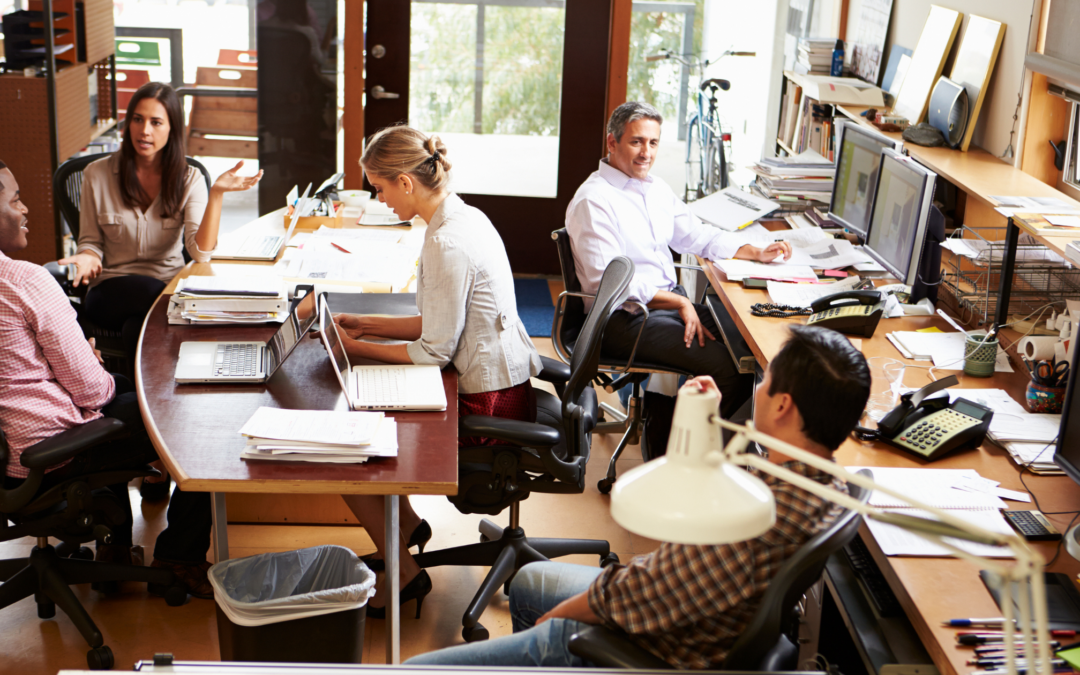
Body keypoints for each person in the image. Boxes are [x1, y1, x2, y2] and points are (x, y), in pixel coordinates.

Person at [406, 325, 872, 668]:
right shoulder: (821, 482)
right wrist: (700, 420)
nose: (761, 389)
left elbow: (639, 594)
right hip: (689, 614)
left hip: (654, 644)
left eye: (766, 383)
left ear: (784, 406)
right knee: (529, 583)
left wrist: (556, 626)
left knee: (414, 671)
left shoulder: (753, 518)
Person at [324, 126, 542, 618]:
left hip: (489, 404)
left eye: (379, 189)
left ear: (405, 182)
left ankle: (404, 574)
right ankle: (405, 528)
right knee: (367, 419)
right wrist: (366, 323)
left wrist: (357, 348)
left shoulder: (446, 242)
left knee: (350, 451)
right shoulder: (461, 216)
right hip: (500, 383)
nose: (379, 201)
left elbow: (433, 351)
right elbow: (442, 318)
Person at [0, 160, 215, 599]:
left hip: (9, 456)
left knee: (114, 398)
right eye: (15, 199)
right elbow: (93, 392)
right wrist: (89, 369)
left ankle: (114, 549)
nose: (25, 210)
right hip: (48, 451)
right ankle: (180, 557)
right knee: (199, 414)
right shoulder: (23, 281)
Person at [57, 81, 261, 501]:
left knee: (141, 329)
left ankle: (145, 453)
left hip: (156, 299)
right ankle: (158, 448)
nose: (144, 130)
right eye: (137, 119)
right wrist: (84, 258)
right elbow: (91, 242)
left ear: (172, 130)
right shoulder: (97, 174)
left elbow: (200, 251)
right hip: (110, 289)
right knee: (152, 305)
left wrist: (218, 193)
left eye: (155, 122)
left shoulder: (188, 178)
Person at [566, 101, 792, 421]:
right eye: (636, 141)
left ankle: (680, 438)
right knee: (730, 370)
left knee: (745, 344)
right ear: (612, 142)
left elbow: (697, 235)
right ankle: (687, 458)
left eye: (653, 142)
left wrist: (752, 249)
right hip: (619, 319)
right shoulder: (594, 200)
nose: (647, 152)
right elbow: (608, 283)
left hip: (660, 308)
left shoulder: (655, 189)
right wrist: (677, 302)